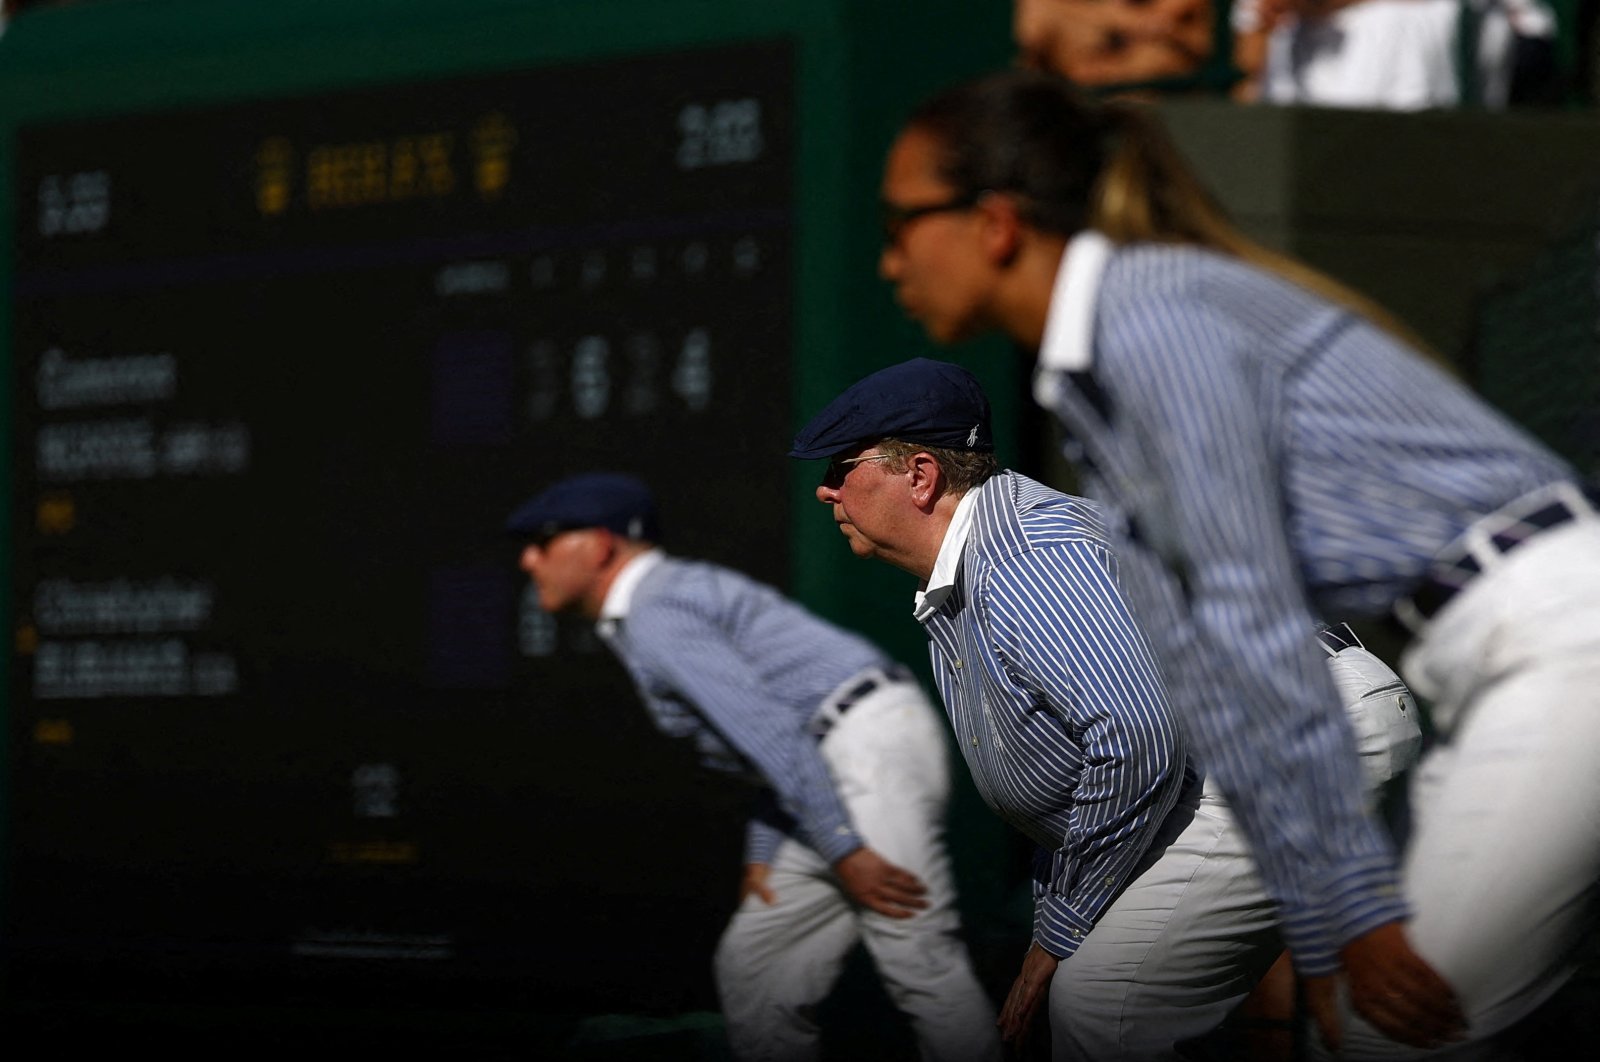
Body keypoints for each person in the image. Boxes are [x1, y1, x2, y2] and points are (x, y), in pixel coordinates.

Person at [872, 65, 1600, 1058]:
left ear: (995, 225)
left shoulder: (1153, 329)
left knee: (1406, 1034)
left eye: (901, 223)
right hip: (1510, 652)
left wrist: (1347, 901)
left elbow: (1254, 634)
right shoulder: (1104, 371)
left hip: (1560, 635)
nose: (888, 262)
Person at [789, 358, 1282, 1061]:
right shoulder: (978, 561)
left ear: (920, 476)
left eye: (842, 467)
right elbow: (1088, 760)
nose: (824, 489)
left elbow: (1136, 735)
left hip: (1272, 746)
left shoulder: (1024, 555)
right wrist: (1060, 921)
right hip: (1231, 762)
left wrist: (1061, 928)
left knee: (1105, 1003)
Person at [507, 472, 1000, 1062]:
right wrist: (767, 848)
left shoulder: (654, 609)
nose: (529, 559)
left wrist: (843, 846)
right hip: (836, 755)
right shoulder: (654, 602)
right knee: (758, 965)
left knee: (917, 954)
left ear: (602, 545)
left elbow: (770, 729)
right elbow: (768, 731)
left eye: (547, 540)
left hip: (860, 748)